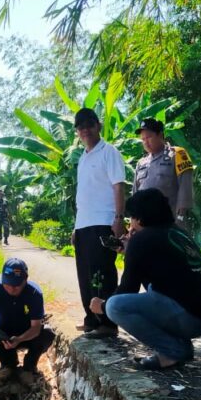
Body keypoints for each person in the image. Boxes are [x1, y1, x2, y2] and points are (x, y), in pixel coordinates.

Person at [89, 188, 201, 370]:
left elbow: (128, 288)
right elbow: (159, 278)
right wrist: (131, 252)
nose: (130, 224)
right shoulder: (179, 233)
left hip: (189, 318)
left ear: (140, 218)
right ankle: (181, 346)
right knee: (156, 290)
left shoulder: (142, 239)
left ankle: (171, 351)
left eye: (131, 218)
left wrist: (102, 306)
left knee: (115, 306)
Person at [71, 107, 126, 339]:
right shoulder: (83, 157)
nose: (85, 130)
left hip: (103, 222)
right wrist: (75, 227)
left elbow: (118, 186)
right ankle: (91, 319)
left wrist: (118, 218)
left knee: (102, 273)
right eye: (80, 127)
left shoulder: (109, 152)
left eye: (89, 125)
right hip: (84, 225)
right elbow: (82, 195)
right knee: (85, 275)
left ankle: (108, 323)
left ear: (98, 126)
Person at [0, 258, 55, 385]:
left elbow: (36, 327)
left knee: (47, 333)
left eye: (16, 285)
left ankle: (30, 366)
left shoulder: (34, 293)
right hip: (4, 333)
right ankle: (8, 364)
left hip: (28, 334)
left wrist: (19, 339)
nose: (11, 289)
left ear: (25, 280)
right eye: (7, 284)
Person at [132, 118, 194, 226]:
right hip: (145, 225)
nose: (146, 142)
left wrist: (180, 217)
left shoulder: (177, 155)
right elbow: (135, 194)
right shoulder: (141, 163)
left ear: (160, 135)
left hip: (169, 222)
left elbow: (185, 188)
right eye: (143, 139)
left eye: (149, 137)